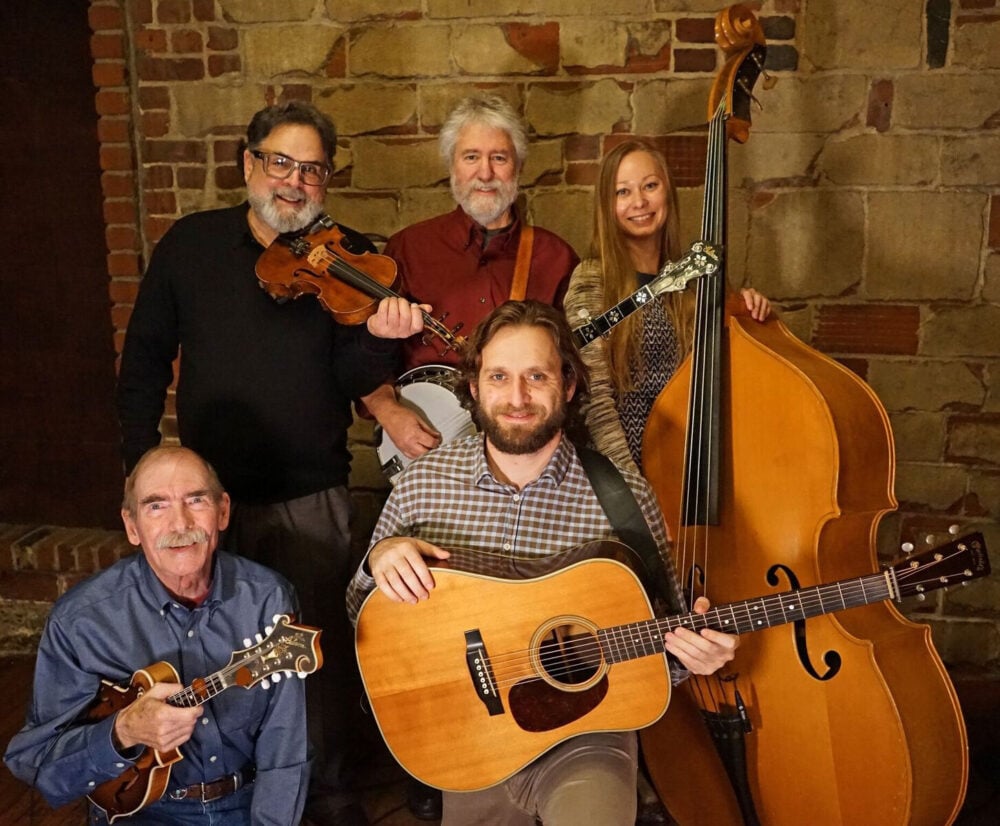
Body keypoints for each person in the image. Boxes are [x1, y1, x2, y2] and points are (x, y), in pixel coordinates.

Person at [115, 101, 423, 826]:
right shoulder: (191, 244)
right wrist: (139, 474)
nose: (294, 181)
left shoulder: (348, 256)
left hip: (309, 495)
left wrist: (379, 337)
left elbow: (354, 376)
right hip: (203, 506)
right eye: (280, 162)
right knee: (212, 660)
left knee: (315, 660)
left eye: (312, 169)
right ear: (249, 163)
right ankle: (230, 792)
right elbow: (143, 363)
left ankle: (330, 794)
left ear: (327, 180)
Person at [346, 300, 739, 826]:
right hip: (470, 737)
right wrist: (379, 560)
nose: (517, 398)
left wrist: (694, 655)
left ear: (568, 385)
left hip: (586, 735)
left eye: (537, 376)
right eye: (499, 377)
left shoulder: (622, 499)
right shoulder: (422, 485)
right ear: (474, 386)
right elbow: (361, 615)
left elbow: (660, 636)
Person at [4, 445, 309, 825]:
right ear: (132, 526)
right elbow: (37, 765)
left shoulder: (268, 598)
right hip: (142, 811)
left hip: (245, 802)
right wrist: (122, 732)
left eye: (195, 500)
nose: (180, 524)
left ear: (223, 511)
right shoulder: (81, 622)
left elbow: (286, 744)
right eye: (156, 506)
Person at [363, 93, 580, 465]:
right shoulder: (407, 249)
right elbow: (363, 355)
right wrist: (388, 411)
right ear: (452, 164)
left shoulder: (556, 258)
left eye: (499, 158)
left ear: (519, 166)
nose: (485, 173)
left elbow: (575, 371)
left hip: (529, 457)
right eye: (471, 157)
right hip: (428, 453)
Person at [563, 139, 770, 475]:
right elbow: (593, 398)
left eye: (650, 186)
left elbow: (736, 377)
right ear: (606, 205)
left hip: (692, 463)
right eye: (623, 192)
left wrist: (749, 311)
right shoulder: (592, 280)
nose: (639, 202)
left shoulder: (696, 279)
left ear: (668, 192)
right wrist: (630, 483)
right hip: (621, 467)